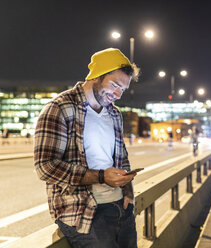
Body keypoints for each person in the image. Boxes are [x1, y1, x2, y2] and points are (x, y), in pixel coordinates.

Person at [34, 48, 141, 247]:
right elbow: (45, 167)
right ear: (96, 76)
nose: (117, 94)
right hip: (84, 213)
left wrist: (128, 194)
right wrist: (101, 177)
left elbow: (122, 159)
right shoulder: (60, 108)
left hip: (121, 208)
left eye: (123, 89)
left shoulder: (115, 115)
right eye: (115, 85)